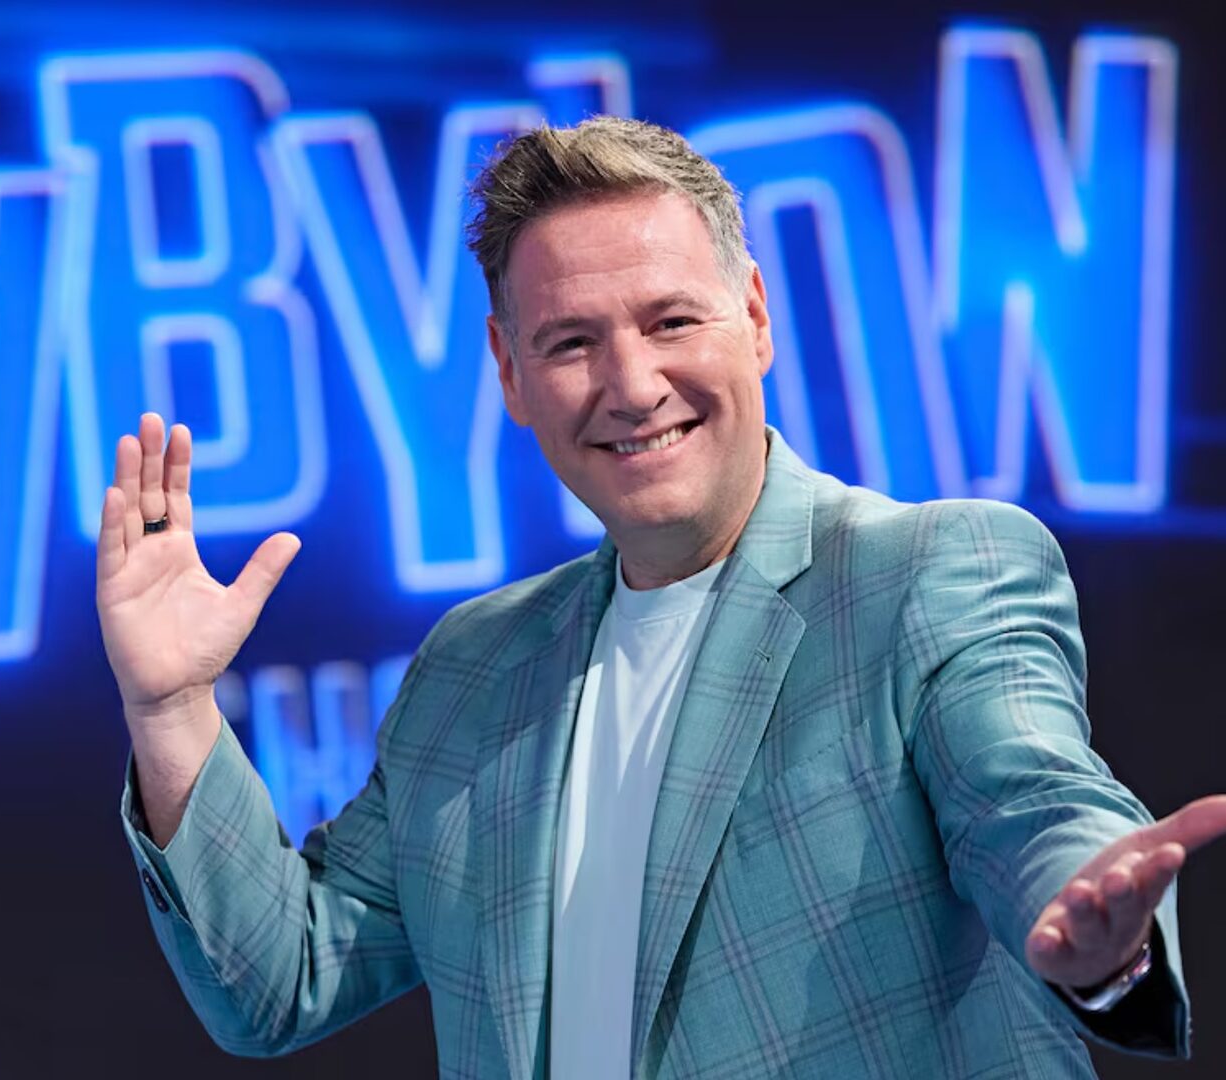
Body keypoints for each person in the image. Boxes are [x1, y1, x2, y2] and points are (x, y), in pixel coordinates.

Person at [95, 116, 1225, 1078]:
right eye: (571, 342)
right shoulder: (474, 668)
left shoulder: (931, 572)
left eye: (671, 321)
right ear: (509, 372)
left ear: (756, 317)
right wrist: (171, 710)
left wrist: (1099, 935)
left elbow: (1031, 797)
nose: (632, 386)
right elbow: (280, 980)